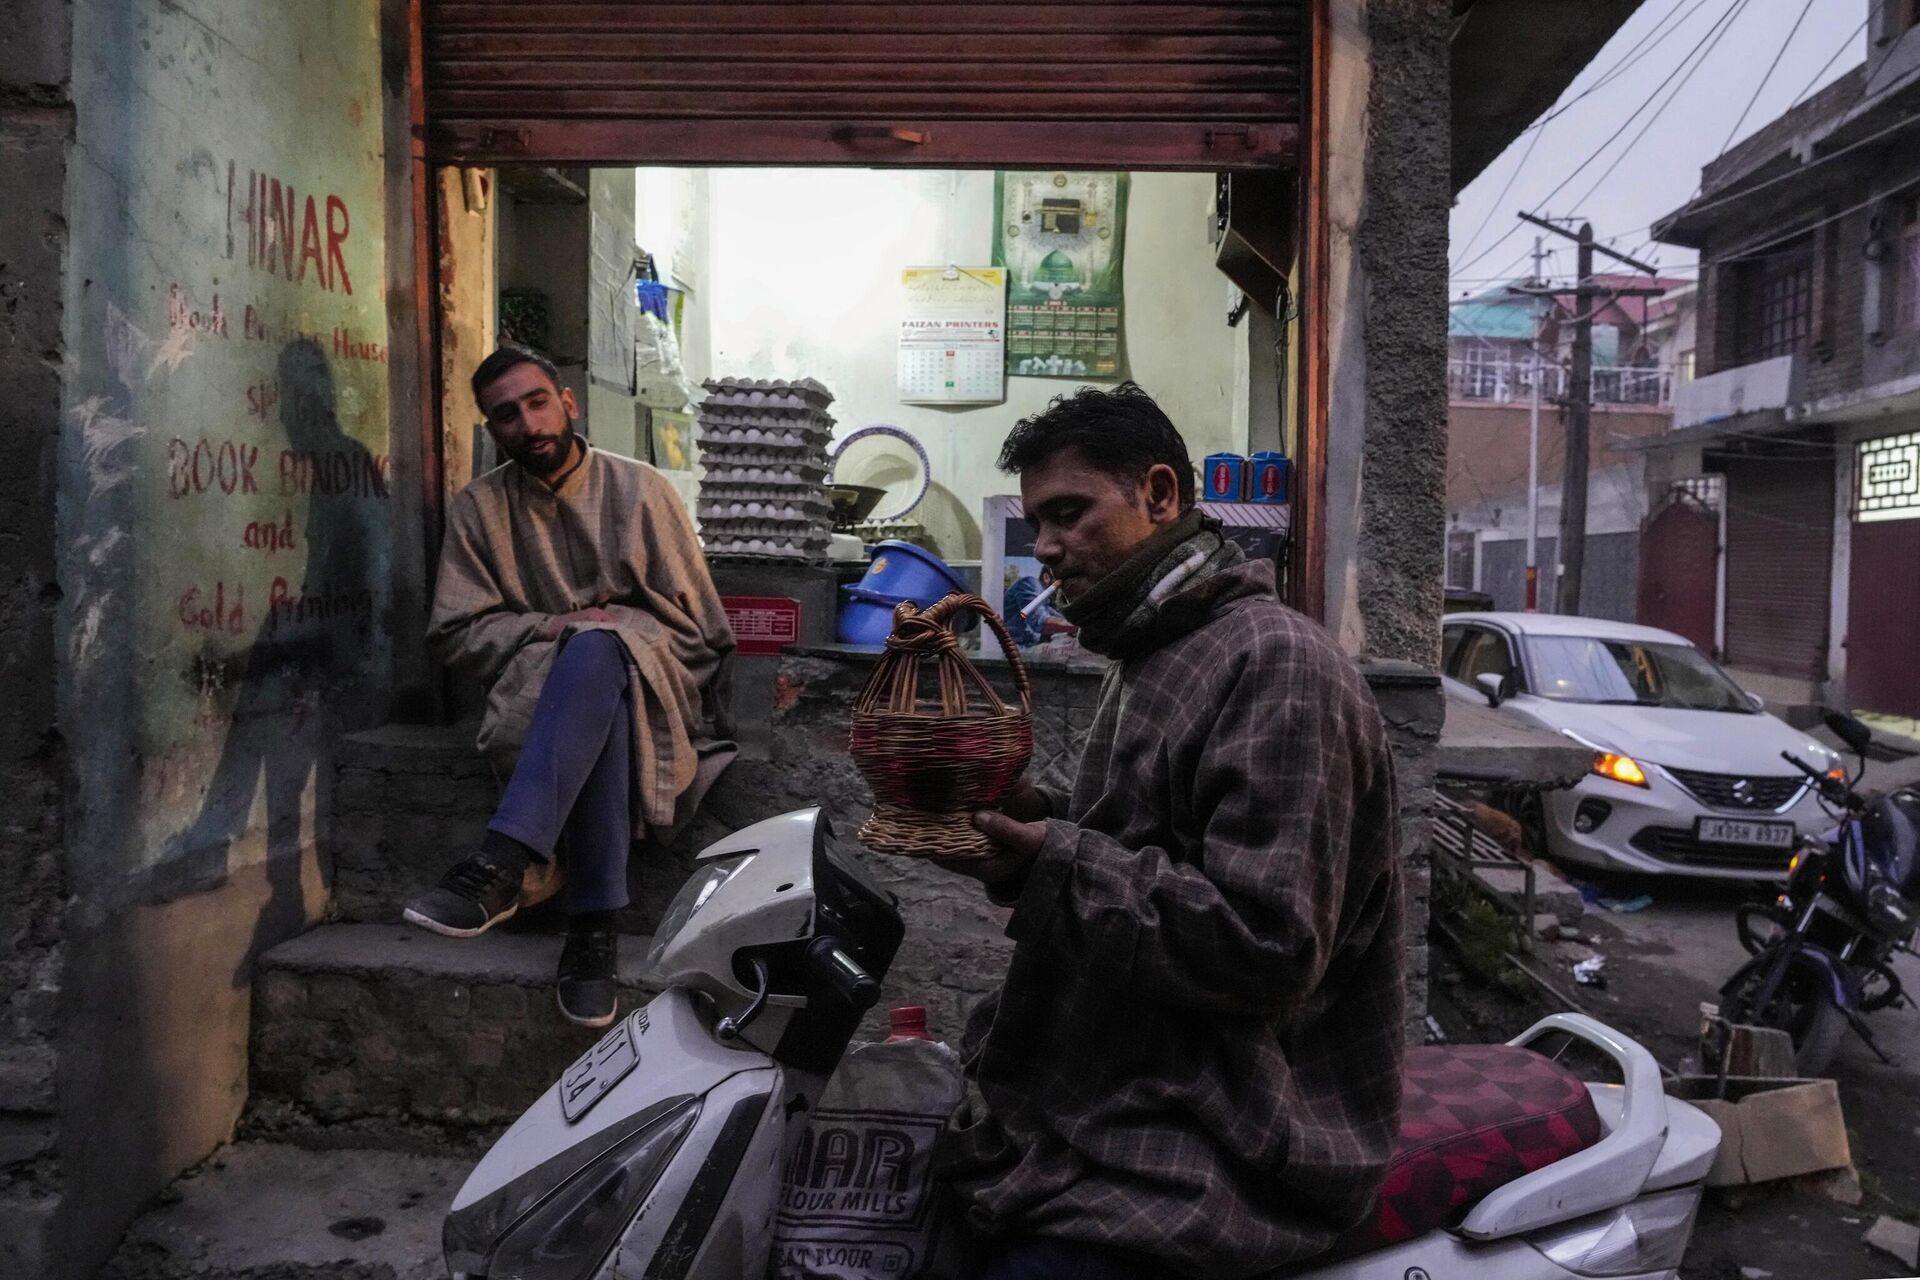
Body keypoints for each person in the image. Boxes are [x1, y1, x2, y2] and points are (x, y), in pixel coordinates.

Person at [936, 383, 1406, 1279]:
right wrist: (1038, 837)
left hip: (1211, 1140)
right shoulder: (1155, 654)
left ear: (1159, 494)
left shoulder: (1276, 666)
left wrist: (1056, 864)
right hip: (1110, 1095)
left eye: (1070, 514)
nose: (1046, 548)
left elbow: (1265, 942)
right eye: (1037, 522)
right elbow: (1148, 853)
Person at [406, 345, 736, 1028]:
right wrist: (555, 626)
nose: (527, 424)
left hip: (658, 678)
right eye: (506, 416)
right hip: (542, 688)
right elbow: (454, 634)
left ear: (567, 402)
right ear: (492, 431)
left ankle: (503, 860)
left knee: (604, 651)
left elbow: (705, 634)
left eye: (536, 403)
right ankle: (594, 931)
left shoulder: (640, 490)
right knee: (590, 665)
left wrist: (621, 634)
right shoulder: (479, 509)